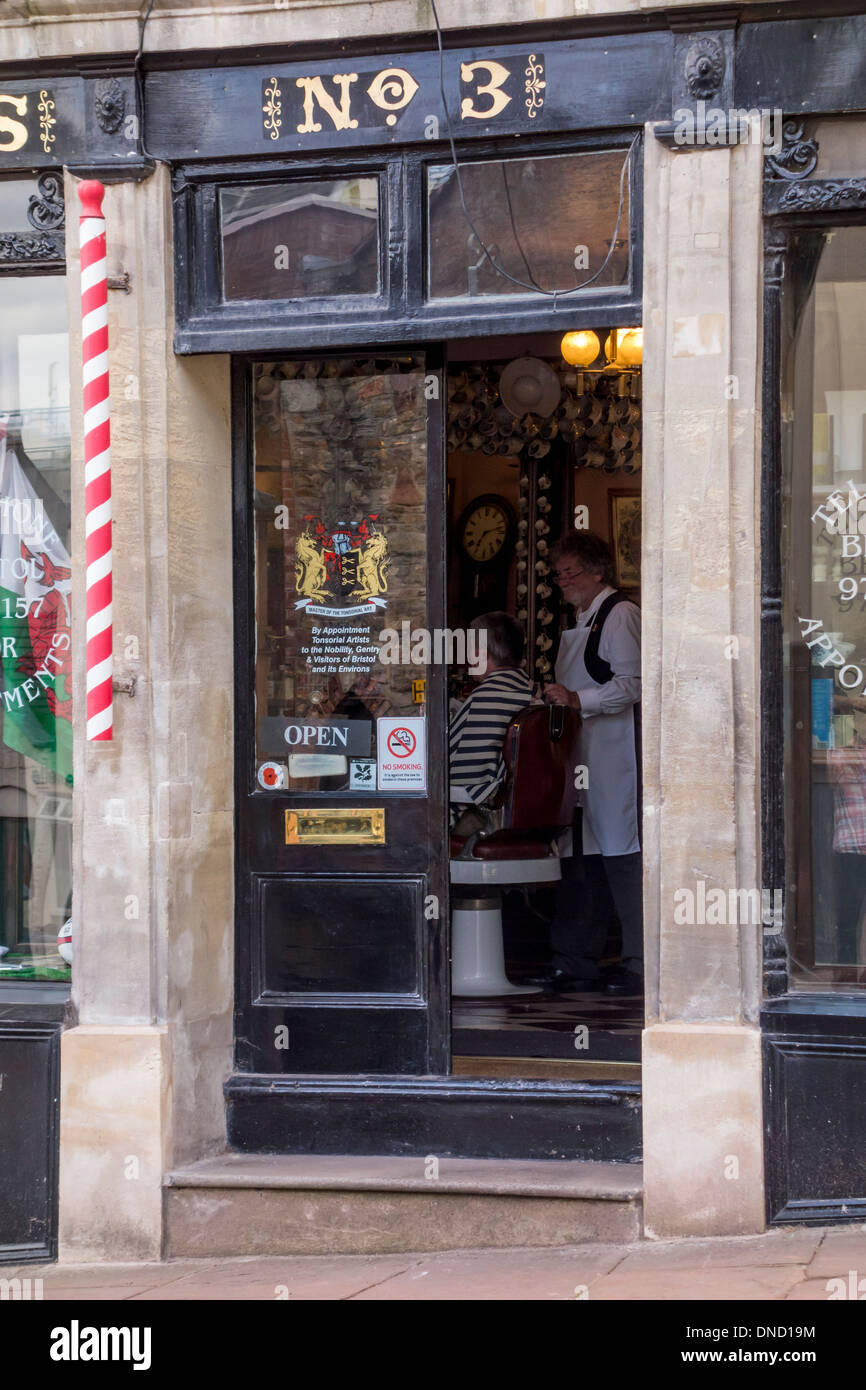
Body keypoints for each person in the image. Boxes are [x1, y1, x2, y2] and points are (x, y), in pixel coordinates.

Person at [528, 531, 643, 996]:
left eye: (570, 572)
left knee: (622, 853)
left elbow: (634, 684)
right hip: (583, 755)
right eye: (558, 574)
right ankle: (576, 960)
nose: (562, 582)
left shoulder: (621, 615)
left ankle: (638, 963)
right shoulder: (581, 619)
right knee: (583, 856)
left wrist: (578, 699)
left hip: (617, 755)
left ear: (598, 571)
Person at [449, 612, 534, 821]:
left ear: (479, 654)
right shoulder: (532, 693)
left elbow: (461, 775)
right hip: (528, 813)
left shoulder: (484, 699)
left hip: (483, 819)